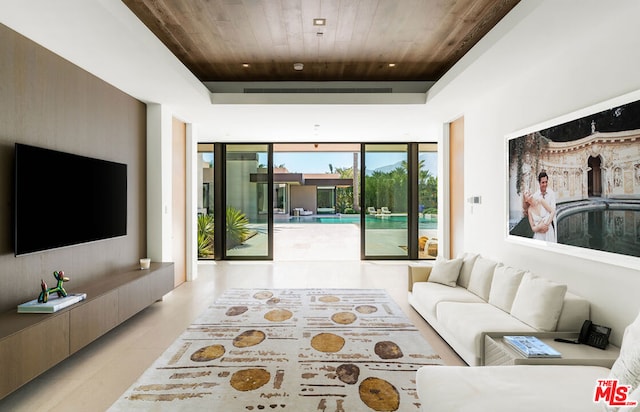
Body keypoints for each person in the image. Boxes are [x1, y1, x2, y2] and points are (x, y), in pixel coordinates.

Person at [534, 170, 557, 242]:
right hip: (540, 225)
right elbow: (535, 213)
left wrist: (546, 224)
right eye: (543, 182)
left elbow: (553, 210)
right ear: (539, 183)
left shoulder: (551, 193)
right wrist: (540, 225)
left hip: (549, 224)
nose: (545, 184)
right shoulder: (536, 195)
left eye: (546, 182)